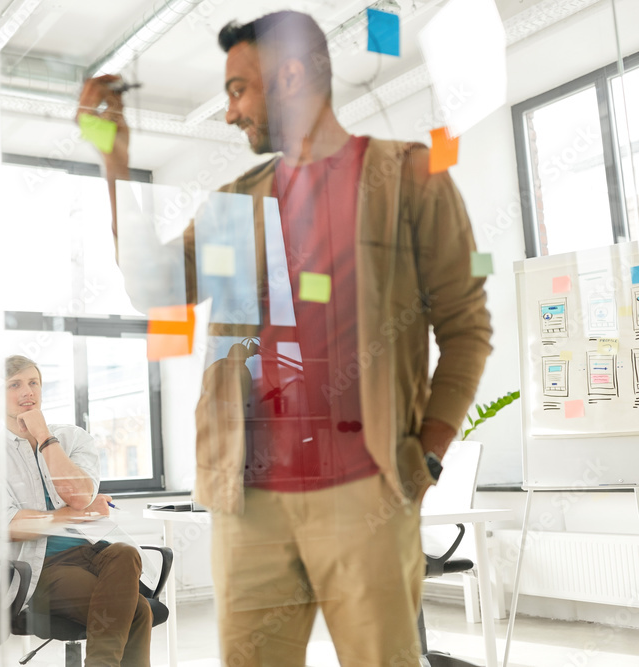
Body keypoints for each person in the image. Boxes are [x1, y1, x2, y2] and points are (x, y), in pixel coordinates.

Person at [78, 10, 492, 667]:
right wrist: (116, 161)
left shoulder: (409, 177)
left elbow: (467, 328)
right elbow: (154, 286)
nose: (229, 111)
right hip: (250, 503)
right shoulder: (234, 205)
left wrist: (429, 457)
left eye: (239, 89)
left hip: (367, 493)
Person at [0, 354, 152, 667]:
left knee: (125, 552)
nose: (28, 391)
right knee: (138, 610)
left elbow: (79, 496)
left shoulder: (72, 437)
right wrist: (70, 514)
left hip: (93, 553)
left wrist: (44, 437)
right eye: (15, 385)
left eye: (33, 383)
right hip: (37, 569)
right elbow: (9, 524)